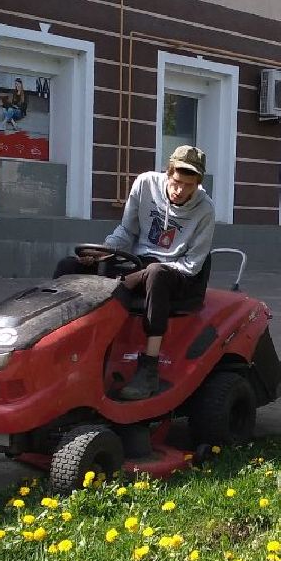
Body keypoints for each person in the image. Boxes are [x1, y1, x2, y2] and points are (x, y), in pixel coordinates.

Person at [54, 145, 215, 400]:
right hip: (139, 264)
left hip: (175, 275)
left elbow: (192, 264)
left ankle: (149, 368)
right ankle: (60, 344)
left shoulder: (205, 209)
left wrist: (139, 275)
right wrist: (102, 253)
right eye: (176, 182)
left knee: (155, 273)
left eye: (188, 185)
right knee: (69, 266)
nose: (180, 190)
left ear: (197, 184)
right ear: (168, 172)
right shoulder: (145, 184)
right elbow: (126, 232)